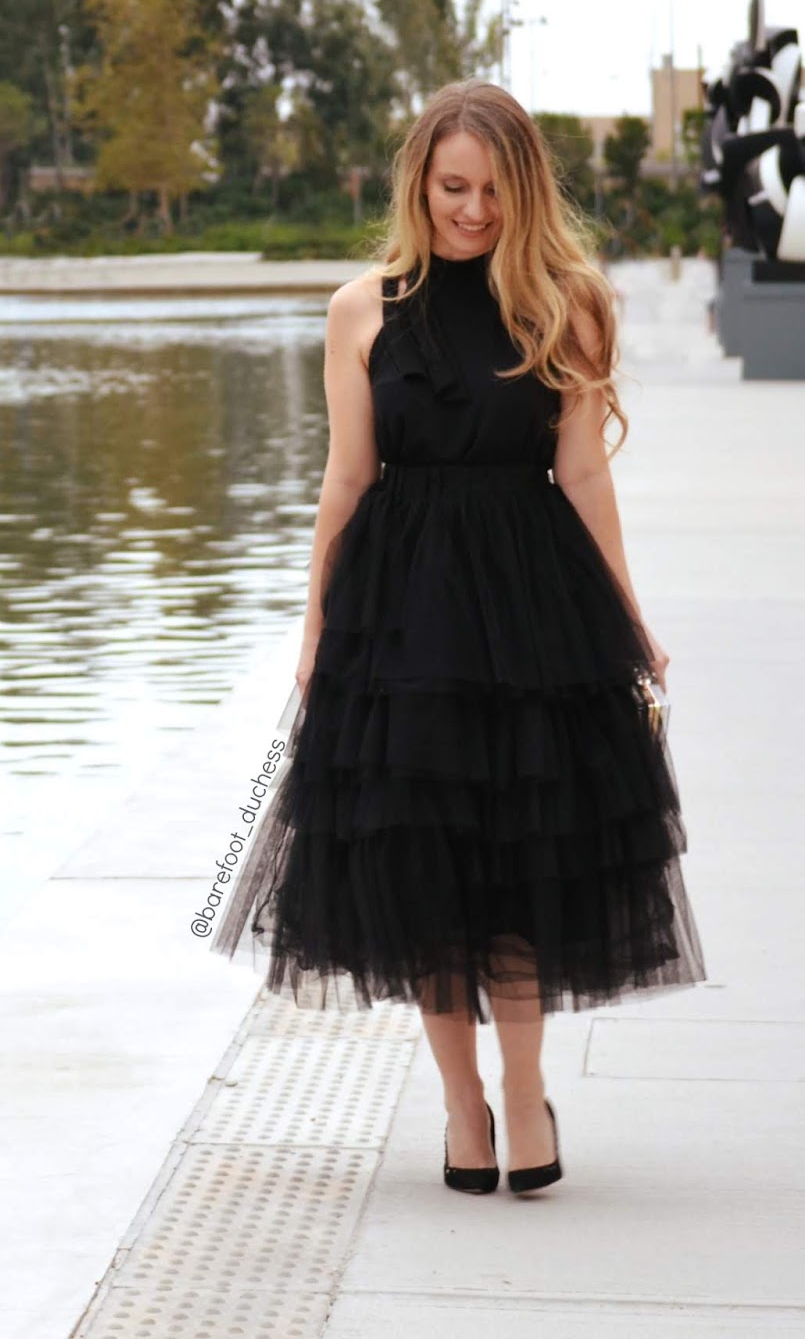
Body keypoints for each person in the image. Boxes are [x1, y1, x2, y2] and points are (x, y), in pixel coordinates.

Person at [209, 79, 706, 1195]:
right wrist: (314, 627)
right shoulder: (361, 311)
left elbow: (581, 473)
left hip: (532, 608)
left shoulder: (567, 304)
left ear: (523, 191)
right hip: (400, 611)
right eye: (451, 188)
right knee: (422, 866)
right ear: (418, 185)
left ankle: (523, 1095)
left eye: (491, 190)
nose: (472, 210)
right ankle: (458, 1104)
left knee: (524, 860)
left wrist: (629, 618)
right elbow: (346, 478)